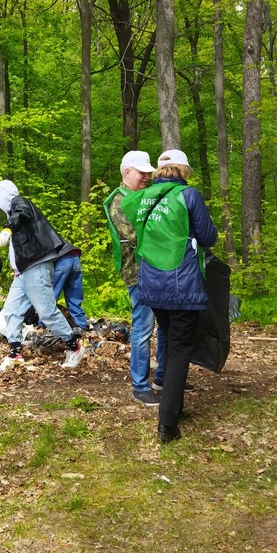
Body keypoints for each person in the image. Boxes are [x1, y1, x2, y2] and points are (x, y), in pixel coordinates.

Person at [123, 149, 217, 443]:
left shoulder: (141, 198)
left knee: (170, 339)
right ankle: (167, 424)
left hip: (151, 286)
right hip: (181, 285)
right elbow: (208, 237)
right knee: (179, 351)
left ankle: (173, 407)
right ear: (184, 171)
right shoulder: (188, 196)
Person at [0, 180, 85, 371]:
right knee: (11, 311)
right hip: (22, 273)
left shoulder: (19, 203)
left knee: (47, 311)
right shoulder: (14, 213)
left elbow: (21, 213)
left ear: (3, 197)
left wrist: (8, 228)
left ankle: (75, 346)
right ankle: (15, 353)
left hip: (36, 268)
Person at [103, 149, 167, 407]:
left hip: (157, 270)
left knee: (166, 325)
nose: (147, 177)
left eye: (149, 173)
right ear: (127, 172)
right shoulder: (119, 202)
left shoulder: (141, 197)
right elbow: (135, 236)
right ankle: (139, 385)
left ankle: (163, 377)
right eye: (143, 172)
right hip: (138, 275)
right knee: (142, 329)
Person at [52, 242, 89, 331]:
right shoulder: (50, 234)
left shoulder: (34, 236)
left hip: (61, 259)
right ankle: (81, 325)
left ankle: (43, 326)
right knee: (74, 296)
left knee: (50, 296)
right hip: (75, 257)